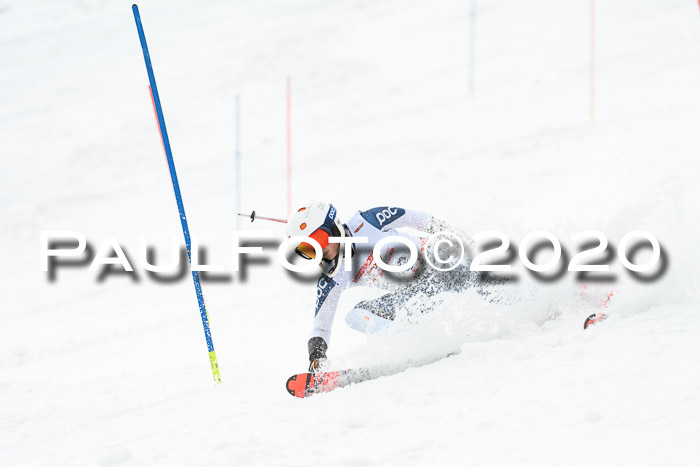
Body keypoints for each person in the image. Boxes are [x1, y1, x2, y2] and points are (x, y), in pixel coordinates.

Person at [286, 200, 505, 372]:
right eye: (307, 250)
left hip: (438, 259)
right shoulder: (332, 277)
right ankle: (425, 343)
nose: (319, 253)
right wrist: (317, 356)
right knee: (357, 315)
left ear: (333, 228)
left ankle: (503, 288)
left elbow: (417, 219)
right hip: (420, 293)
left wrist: (459, 236)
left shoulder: (366, 221)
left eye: (319, 240)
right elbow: (321, 327)